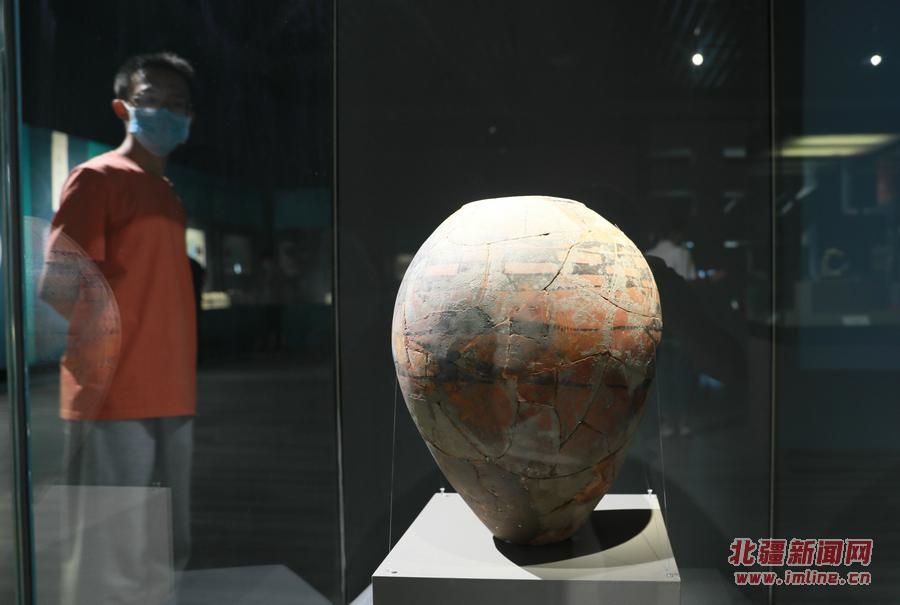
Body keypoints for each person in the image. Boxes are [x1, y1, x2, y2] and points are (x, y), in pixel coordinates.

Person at [40, 51, 198, 605]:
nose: (166, 112)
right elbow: (59, 284)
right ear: (122, 107)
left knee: (164, 547)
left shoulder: (166, 194)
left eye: (178, 103)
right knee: (108, 553)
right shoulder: (97, 179)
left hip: (172, 391)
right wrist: (112, 352)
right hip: (113, 391)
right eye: (152, 99)